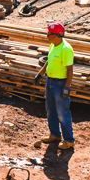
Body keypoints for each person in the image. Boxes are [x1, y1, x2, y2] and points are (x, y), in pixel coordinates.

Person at [33, 22, 75, 150]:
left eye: (49, 34)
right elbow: (48, 61)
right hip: (50, 81)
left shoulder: (66, 49)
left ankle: (69, 140)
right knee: (50, 110)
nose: (47, 36)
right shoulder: (53, 45)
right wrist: (40, 74)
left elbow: (69, 70)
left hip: (60, 84)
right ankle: (55, 134)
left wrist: (67, 87)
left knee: (62, 112)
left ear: (57, 35)